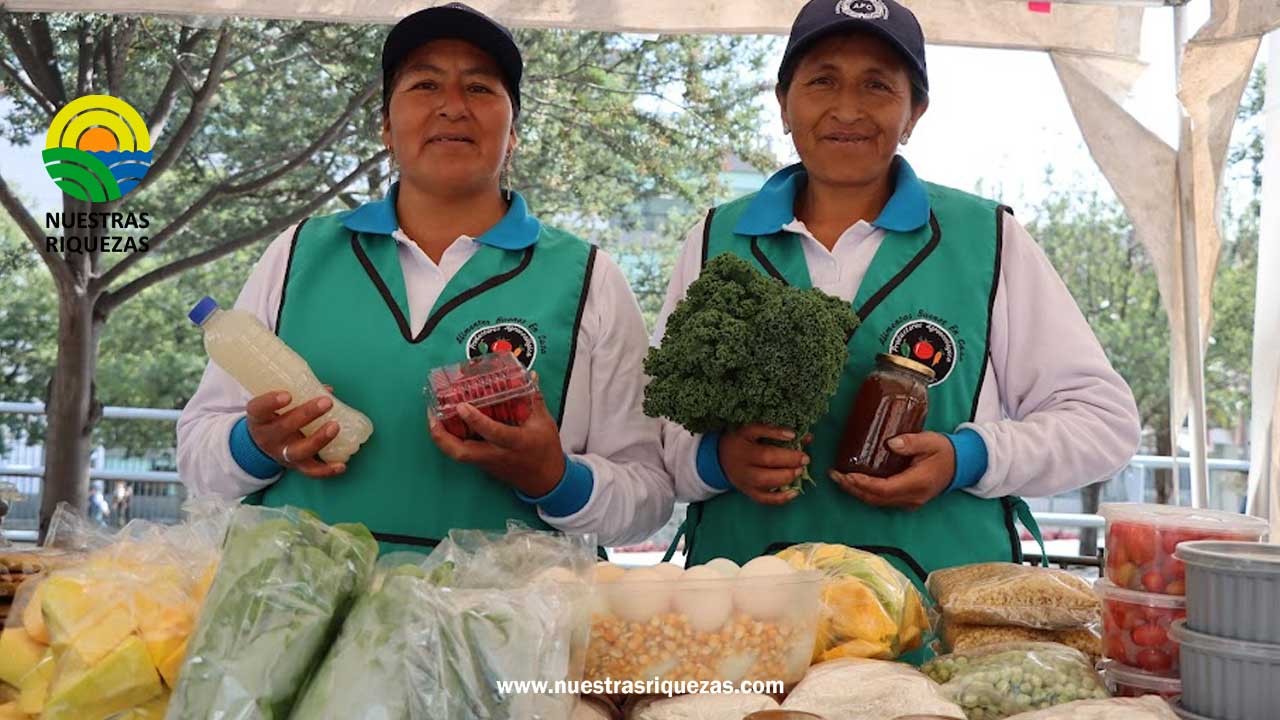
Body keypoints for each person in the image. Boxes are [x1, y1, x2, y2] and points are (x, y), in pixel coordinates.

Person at [656, 0, 1140, 586]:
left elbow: (1102, 422)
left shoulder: (987, 238)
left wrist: (969, 458)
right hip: (746, 613)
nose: (847, 109)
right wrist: (718, 460)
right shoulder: (715, 239)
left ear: (915, 113)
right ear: (784, 104)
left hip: (940, 625)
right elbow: (654, 434)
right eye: (822, 81)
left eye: (878, 86)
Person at [177, 3, 671, 551]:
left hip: (500, 626)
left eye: (480, 89)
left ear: (513, 134)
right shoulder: (298, 254)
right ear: (386, 127)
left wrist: (553, 478)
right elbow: (198, 457)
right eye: (425, 84)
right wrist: (256, 444)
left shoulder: (589, 279)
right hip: (303, 619)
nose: (453, 107)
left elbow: (647, 497)